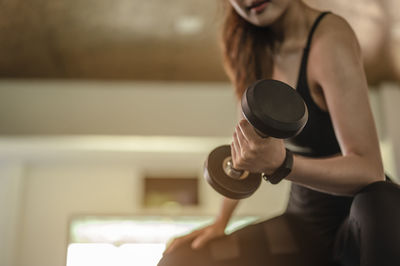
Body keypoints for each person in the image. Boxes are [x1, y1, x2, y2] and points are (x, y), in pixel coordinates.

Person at [158, 0, 400, 265]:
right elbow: (247, 149)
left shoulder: (329, 39)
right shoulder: (253, 48)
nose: (249, 1)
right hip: (304, 222)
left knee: (382, 200)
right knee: (182, 260)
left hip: (366, 222)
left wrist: (283, 164)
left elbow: (369, 171)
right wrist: (221, 222)